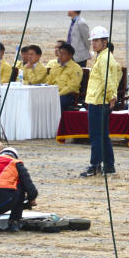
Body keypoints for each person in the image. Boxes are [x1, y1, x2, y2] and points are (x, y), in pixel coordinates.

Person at [80, 26, 120, 177]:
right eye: (93, 40)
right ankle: (109, 165)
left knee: (96, 135)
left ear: (105, 41)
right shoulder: (105, 57)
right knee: (103, 135)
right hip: (99, 99)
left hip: (98, 100)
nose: (94, 43)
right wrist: (112, 95)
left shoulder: (104, 58)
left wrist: (111, 96)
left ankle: (94, 165)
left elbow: (107, 79)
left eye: (97, 40)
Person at [0, 146, 38, 233]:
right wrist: (31, 199)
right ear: (14, 156)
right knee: (19, 184)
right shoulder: (15, 162)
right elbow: (29, 187)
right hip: (5, 201)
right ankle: (14, 222)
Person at [46, 41, 83, 110]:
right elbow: (49, 82)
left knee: (59, 101)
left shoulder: (76, 68)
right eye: (60, 53)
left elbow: (72, 86)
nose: (60, 55)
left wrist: (58, 94)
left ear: (70, 55)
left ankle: (57, 120)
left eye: (63, 54)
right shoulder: (55, 66)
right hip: (54, 93)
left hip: (68, 95)